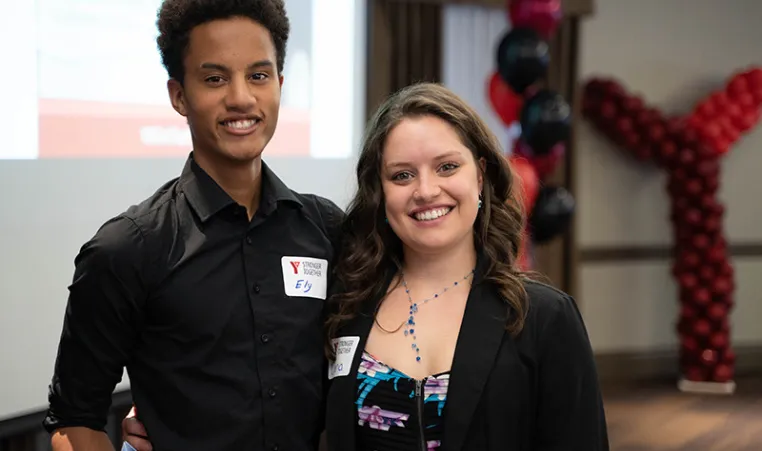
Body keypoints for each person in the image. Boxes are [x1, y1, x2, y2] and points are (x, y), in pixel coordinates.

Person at [42, 1, 344, 450]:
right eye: (215, 78)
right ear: (179, 95)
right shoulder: (128, 249)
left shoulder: (326, 230)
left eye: (259, 76)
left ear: (280, 84)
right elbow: (74, 422)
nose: (241, 97)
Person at [322, 82, 609, 450]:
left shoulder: (544, 317)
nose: (425, 190)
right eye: (402, 175)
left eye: (446, 167)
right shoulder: (347, 307)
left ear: (480, 174)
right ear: (380, 192)